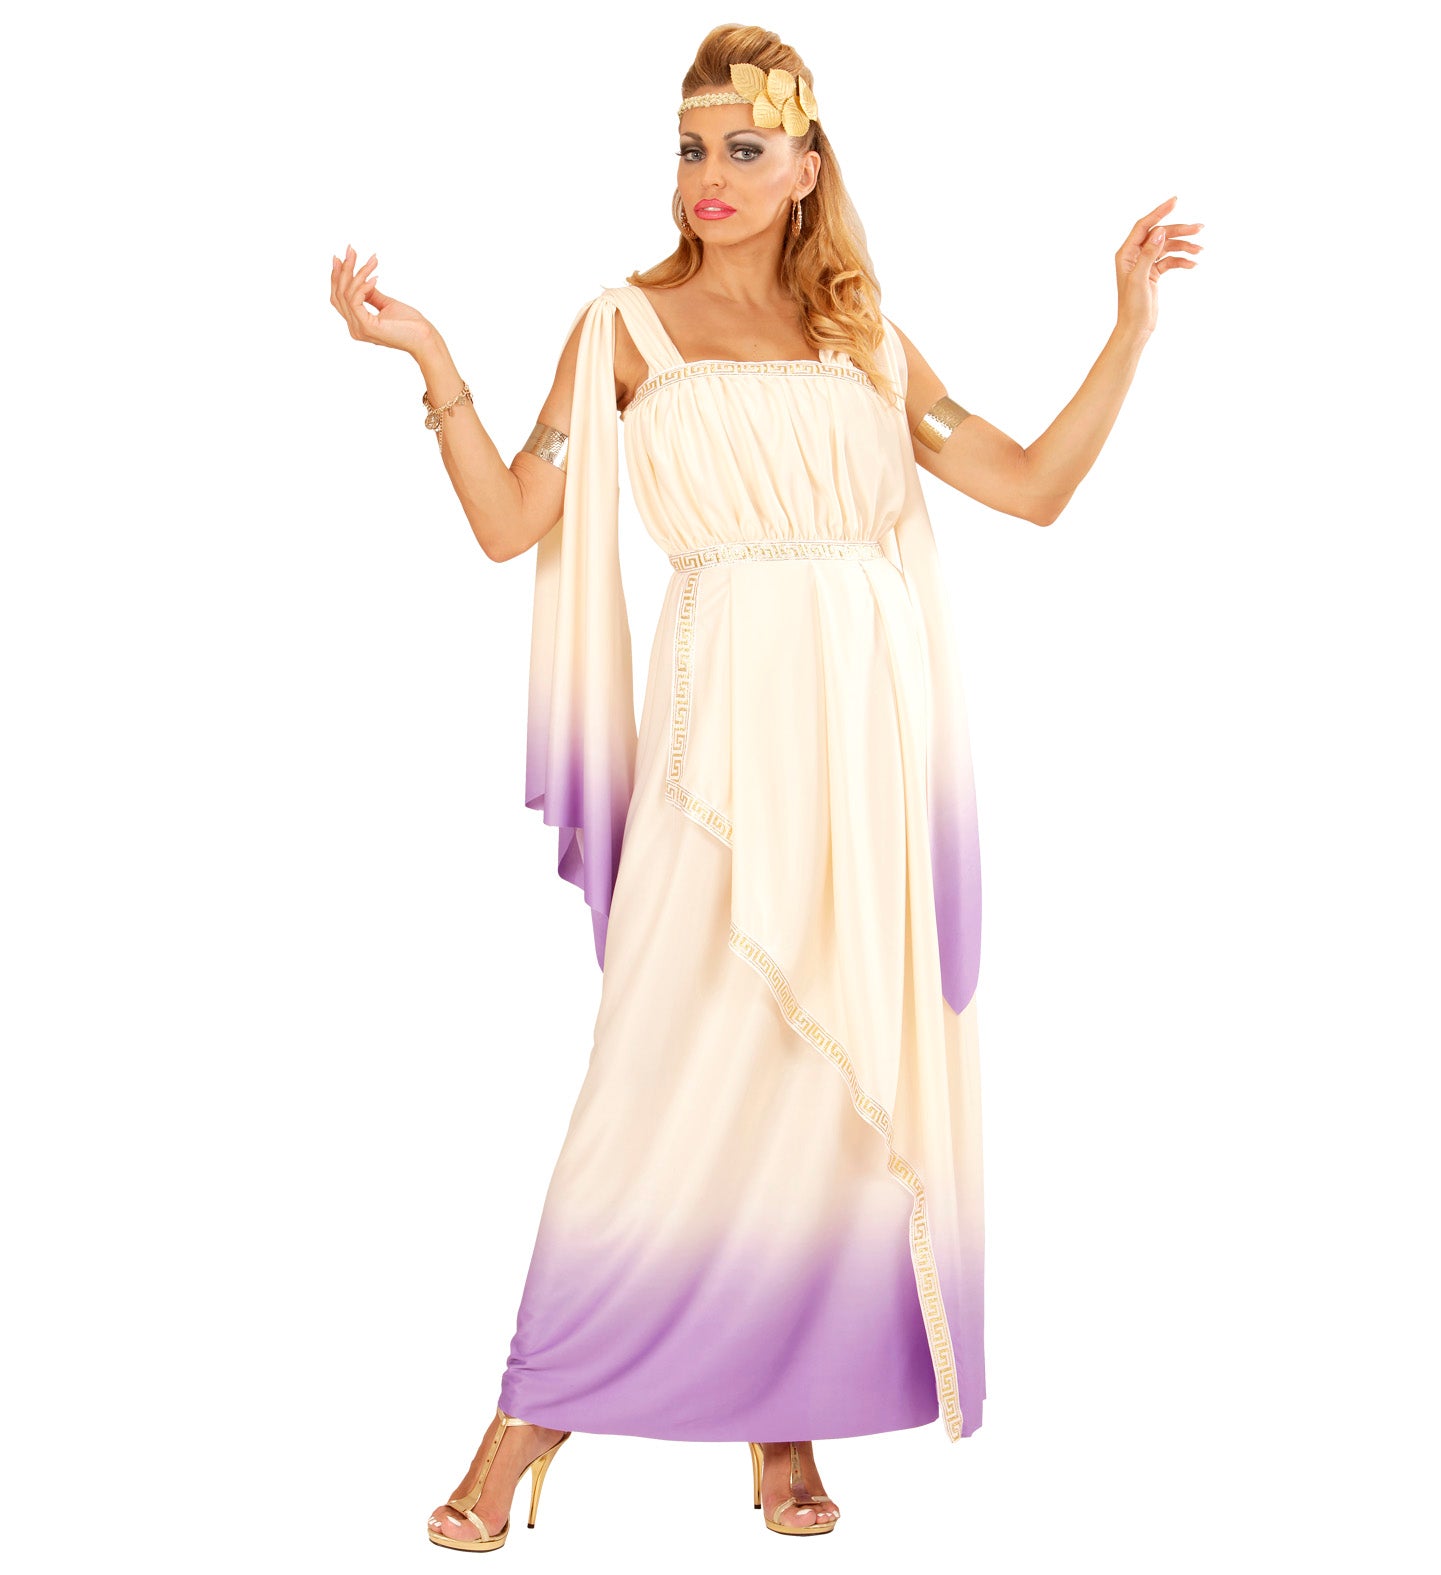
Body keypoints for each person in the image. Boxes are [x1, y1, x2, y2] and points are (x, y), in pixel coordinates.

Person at [327, 21, 1201, 1551]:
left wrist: (1125, 327)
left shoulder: (864, 337)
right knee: (657, 1065)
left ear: (807, 166)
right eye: (688, 148)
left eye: (743, 147)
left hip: (864, 740)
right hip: (719, 737)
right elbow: (511, 520)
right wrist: (434, 365)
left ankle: (779, 1421)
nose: (708, 176)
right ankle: (525, 1418)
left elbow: (1029, 488)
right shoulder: (621, 327)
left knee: (822, 1066)